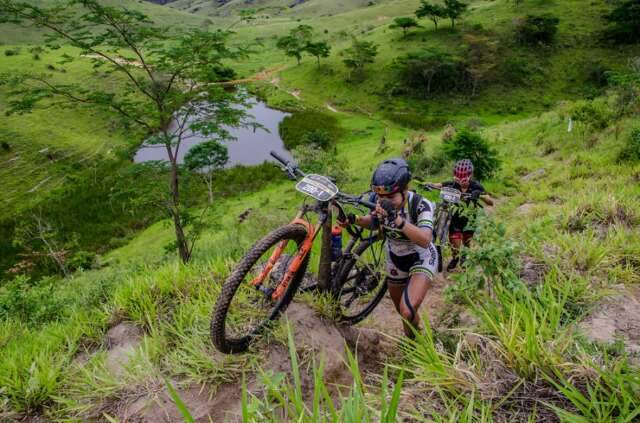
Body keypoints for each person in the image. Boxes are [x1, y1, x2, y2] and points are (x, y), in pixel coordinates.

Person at [338, 158, 438, 338]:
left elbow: (424, 239)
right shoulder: (378, 199)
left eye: (391, 197)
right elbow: (374, 223)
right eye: (380, 197)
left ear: (405, 191)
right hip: (395, 256)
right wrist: (356, 220)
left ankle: (414, 346)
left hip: (421, 255)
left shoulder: (421, 205)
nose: (384, 202)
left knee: (407, 310)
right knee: (403, 311)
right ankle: (416, 335)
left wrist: (397, 219)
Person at [428, 159, 493, 271]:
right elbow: (437, 185)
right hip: (455, 218)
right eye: (458, 178)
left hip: (470, 219)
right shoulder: (452, 185)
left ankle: (465, 258)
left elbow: (490, 202)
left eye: (464, 179)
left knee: (467, 243)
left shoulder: (476, 186)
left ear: (470, 175)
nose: (461, 181)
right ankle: (455, 258)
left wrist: (480, 195)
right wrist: (428, 185)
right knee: (455, 243)